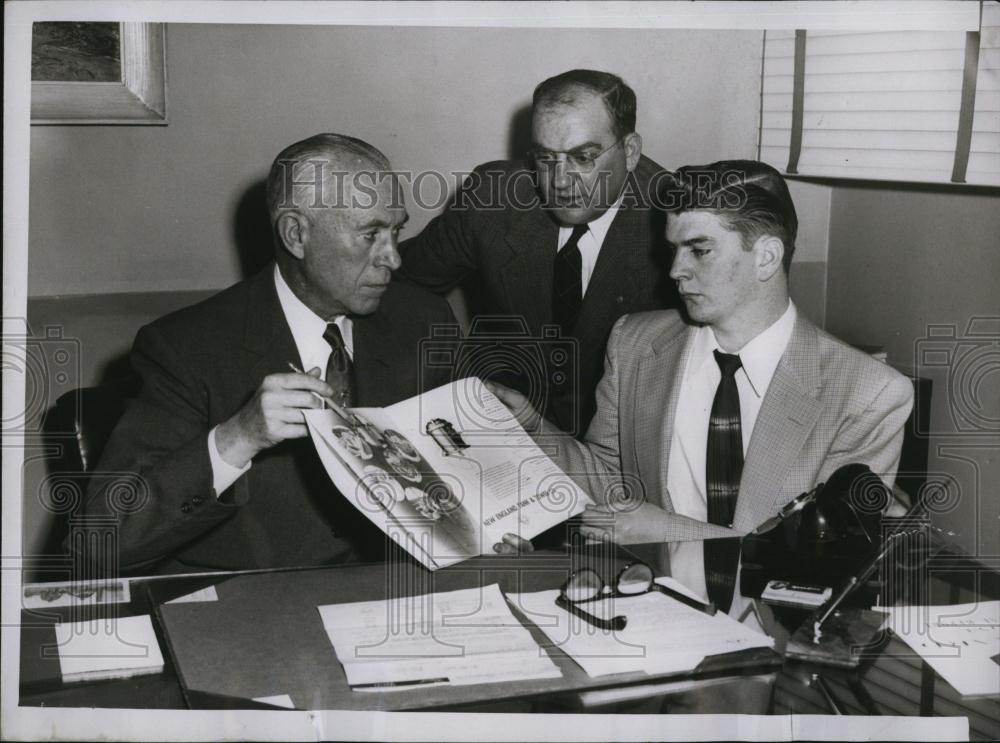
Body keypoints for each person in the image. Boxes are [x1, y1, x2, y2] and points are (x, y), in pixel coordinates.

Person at [492, 160, 914, 612]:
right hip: (649, 618)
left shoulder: (868, 392)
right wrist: (533, 427)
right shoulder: (635, 343)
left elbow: (823, 564)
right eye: (673, 248)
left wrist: (669, 530)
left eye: (699, 250)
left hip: (775, 635)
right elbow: (611, 485)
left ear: (767, 257)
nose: (675, 270)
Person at [74, 134, 457, 575]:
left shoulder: (423, 320)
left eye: (396, 231)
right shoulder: (184, 347)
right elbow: (99, 540)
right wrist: (239, 436)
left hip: (399, 598)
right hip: (257, 614)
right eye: (371, 234)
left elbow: (455, 477)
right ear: (296, 233)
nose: (394, 258)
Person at [398, 69, 677, 438]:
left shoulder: (679, 222)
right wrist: (447, 371)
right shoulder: (492, 199)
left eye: (583, 157)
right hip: (495, 425)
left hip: (620, 443)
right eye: (545, 158)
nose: (560, 181)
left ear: (629, 152)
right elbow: (397, 280)